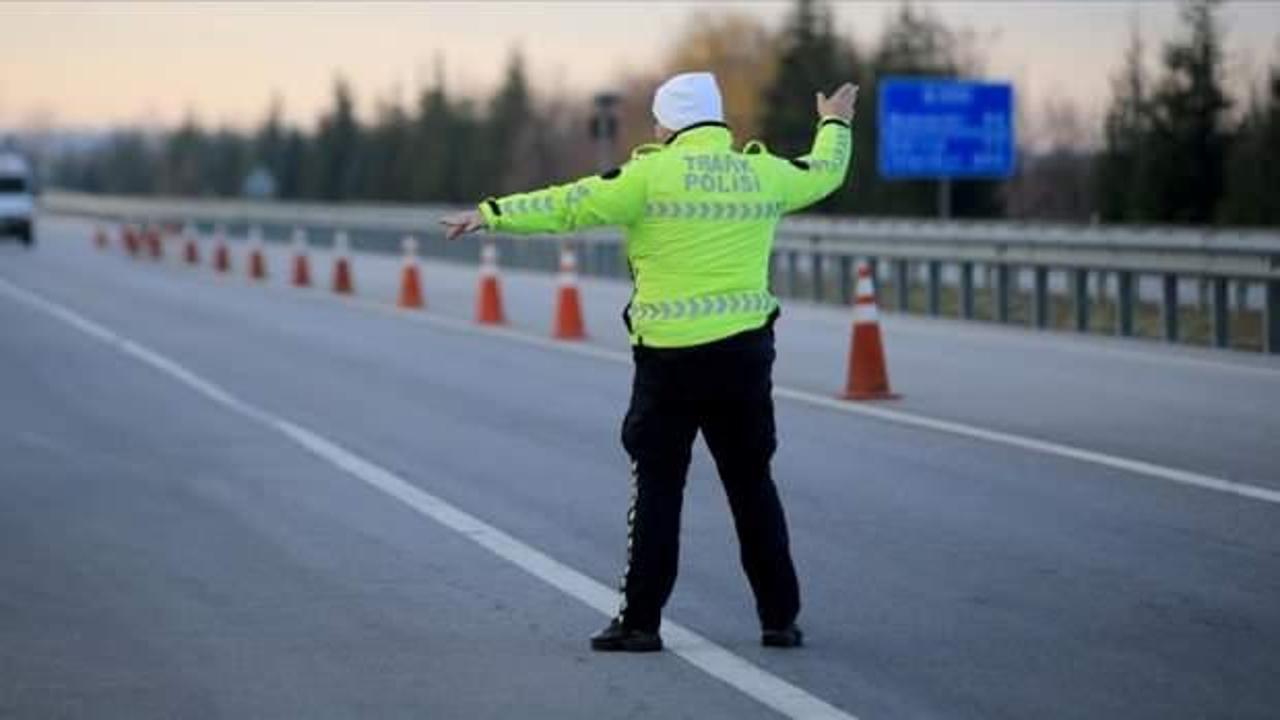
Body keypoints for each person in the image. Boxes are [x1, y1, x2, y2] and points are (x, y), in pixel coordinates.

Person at [442, 72, 857, 652]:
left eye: (659, 119)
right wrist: (834, 122)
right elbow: (825, 172)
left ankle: (640, 622)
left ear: (669, 123)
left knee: (660, 488)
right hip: (743, 355)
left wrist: (492, 213)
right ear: (714, 120)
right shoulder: (761, 172)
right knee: (751, 484)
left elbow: (569, 204)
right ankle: (779, 618)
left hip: (669, 362)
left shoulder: (647, 175)